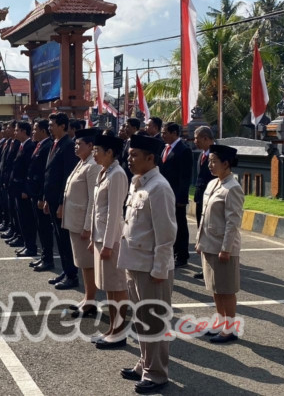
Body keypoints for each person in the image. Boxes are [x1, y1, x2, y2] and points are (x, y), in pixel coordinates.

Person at [117, 134, 177, 394]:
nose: (129, 159)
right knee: (141, 319)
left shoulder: (159, 188)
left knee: (154, 321)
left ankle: (157, 373)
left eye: (134, 155)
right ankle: (145, 363)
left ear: (150, 158)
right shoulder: (137, 183)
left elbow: (166, 235)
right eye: (129, 154)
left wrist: (160, 269)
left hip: (152, 268)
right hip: (134, 262)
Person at [195, 144, 244, 344]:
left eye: (214, 161)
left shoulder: (233, 188)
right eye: (210, 160)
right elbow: (204, 215)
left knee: (226, 289)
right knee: (215, 288)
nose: (210, 164)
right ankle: (220, 323)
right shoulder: (213, 184)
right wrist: (199, 241)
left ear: (226, 164)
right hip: (209, 244)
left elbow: (233, 222)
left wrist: (226, 248)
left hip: (224, 247)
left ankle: (230, 328)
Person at [90, 131, 129, 349]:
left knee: (117, 286)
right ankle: (113, 328)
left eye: (97, 151)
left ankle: (120, 331)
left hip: (111, 240)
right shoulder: (104, 172)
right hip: (100, 237)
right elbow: (97, 209)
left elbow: (114, 212)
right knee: (109, 288)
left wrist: (107, 243)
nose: (94, 155)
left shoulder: (117, 174)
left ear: (110, 152)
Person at [62, 128, 102, 316]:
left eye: (80, 144)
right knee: (83, 263)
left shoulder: (93, 165)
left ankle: (91, 299)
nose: (76, 147)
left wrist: (88, 226)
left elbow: (93, 199)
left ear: (91, 146)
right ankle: (87, 297)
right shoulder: (82, 163)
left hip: (82, 223)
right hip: (74, 219)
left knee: (87, 264)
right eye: (76, 143)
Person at [41, 112, 80, 289]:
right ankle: (66, 270)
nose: (49, 128)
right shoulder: (54, 144)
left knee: (64, 240)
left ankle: (72, 275)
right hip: (52, 199)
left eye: (52, 125)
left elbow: (66, 177)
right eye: (49, 125)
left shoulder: (68, 146)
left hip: (61, 201)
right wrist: (46, 198)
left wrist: (62, 203)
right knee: (59, 237)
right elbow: (49, 174)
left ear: (63, 126)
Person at [160, 122, 193, 268]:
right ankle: (172, 251)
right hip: (164, 194)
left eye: (165, 132)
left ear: (174, 133)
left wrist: (182, 197)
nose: (163, 135)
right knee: (168, 225)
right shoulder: (165, 148)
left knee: (180, 225)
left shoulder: (183, 150)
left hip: (176, 195)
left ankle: (182, 255)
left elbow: (185, 177)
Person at [26, 119, 54, 271]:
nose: (33, 131)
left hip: (40, 194)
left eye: (35, 129)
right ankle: (44, 257)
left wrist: (42, 196)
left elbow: (45, 174)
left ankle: (48, 259)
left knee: (44, 229)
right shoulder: (40, 145)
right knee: (40, 227)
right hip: (35, 192)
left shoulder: (48, 146)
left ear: (43, 131)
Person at [8, 121, 36, 255]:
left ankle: (31, 247)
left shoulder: (30, 146)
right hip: (17, 187)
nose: (15, 132)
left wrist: (26, 189)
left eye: (17, 130)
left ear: (24, 131)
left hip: (23, 189)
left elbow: (29, 171)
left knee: (27, 219)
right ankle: (26, 244)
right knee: (21, 218)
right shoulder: (22, 145)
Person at [192, 126, 215, 279]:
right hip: (201, 197)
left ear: (206, 138)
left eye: (197, 138)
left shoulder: (215, 155)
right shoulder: (203, 154)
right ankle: (205, 267)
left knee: (209, 232)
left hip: (211, 199)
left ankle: (211, 267)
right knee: (201, 232)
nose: (195, 141)